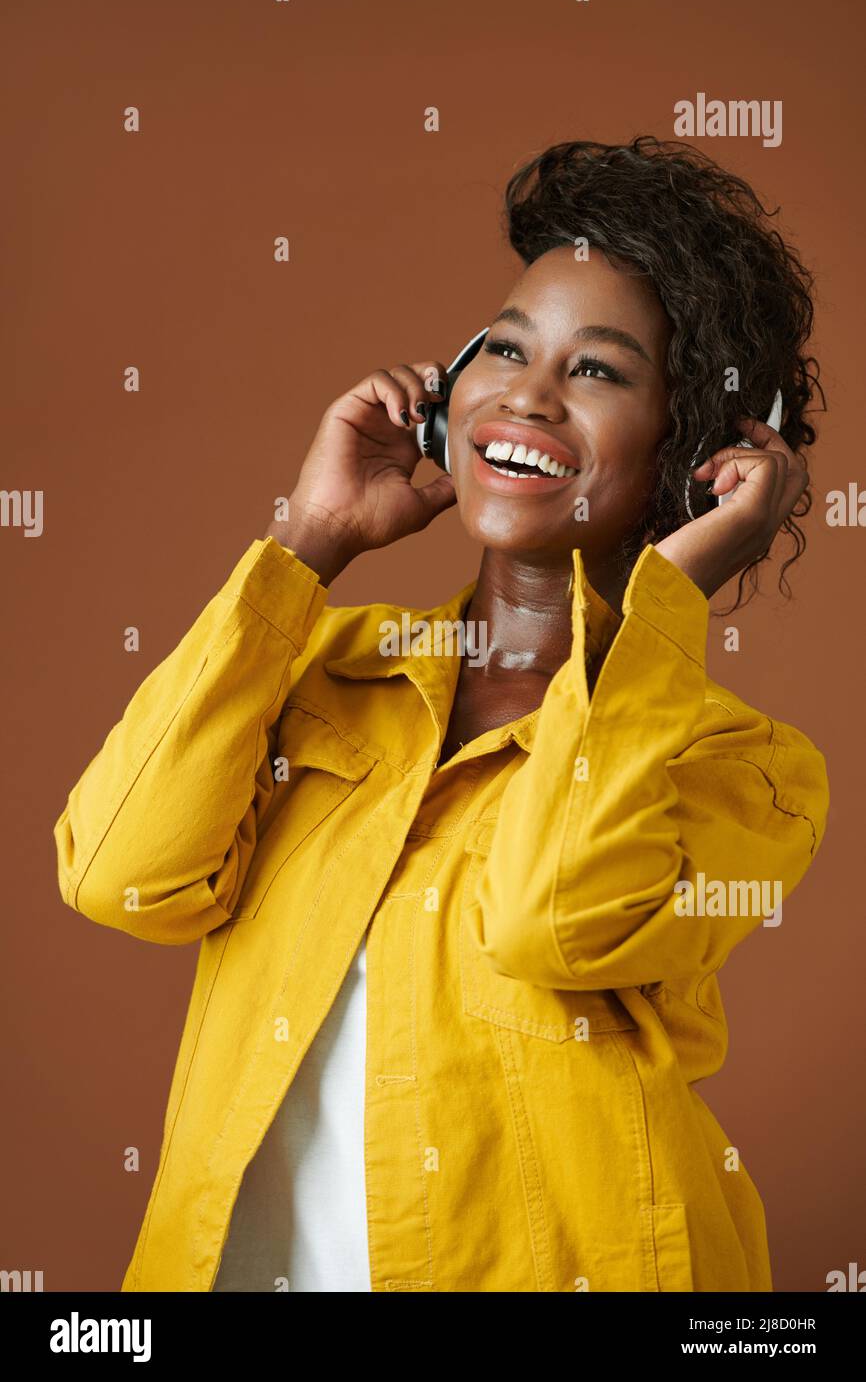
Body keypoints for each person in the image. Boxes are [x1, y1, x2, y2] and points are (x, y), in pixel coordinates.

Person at [54, 137, 830, 1293]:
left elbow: (550, 920)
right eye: (506, 347)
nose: (524, 393)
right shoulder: (318, 672)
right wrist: (306, 545)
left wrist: (658, 602)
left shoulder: (742, 766)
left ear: (699, 456)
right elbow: (118, 874)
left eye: (599, 371)